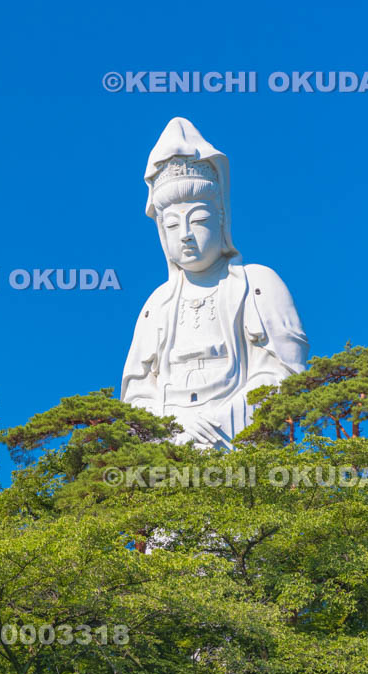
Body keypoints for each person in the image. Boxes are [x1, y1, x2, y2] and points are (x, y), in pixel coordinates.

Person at [121, 117, 309, 449]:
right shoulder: (157, 305)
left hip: (237, 442)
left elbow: (284, 375)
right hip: (171, 449)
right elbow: (136, 397)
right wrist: (175, 433)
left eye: (199, 220)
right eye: (173, 226)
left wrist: (219, 423)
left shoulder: (258, 283)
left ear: (221, 218)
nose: (187, 236)